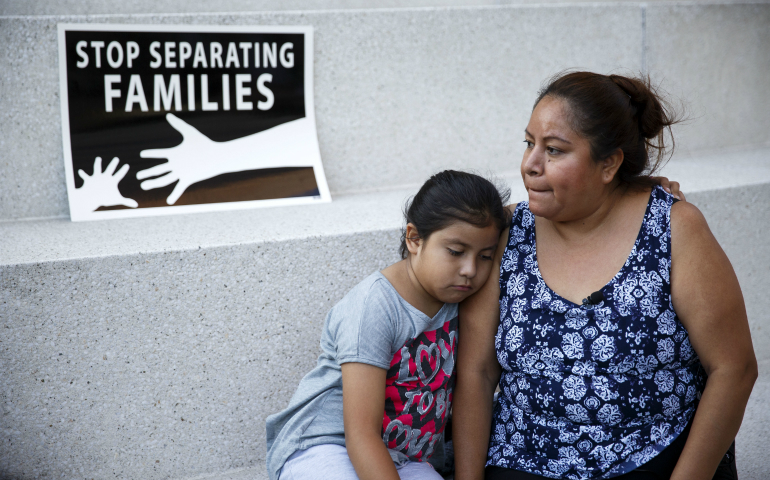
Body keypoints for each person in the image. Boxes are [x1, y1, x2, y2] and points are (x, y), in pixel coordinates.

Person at [452, 71, 758, 480]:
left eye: (555, 150)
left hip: (653, 453)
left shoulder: (673, 228)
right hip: (526, 458)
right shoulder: (507, 234)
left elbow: (733, 369)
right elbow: (477, 372)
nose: (530, 164)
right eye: (529, 143)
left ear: (609, 163)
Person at [265, 170, 511, 480]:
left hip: (406, 458)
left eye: (486, 256)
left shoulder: (462, 302)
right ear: (414, 239)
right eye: (456, 252)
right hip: (328, 446)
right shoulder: (375, 306)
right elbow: (361, 434)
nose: (470, 270)